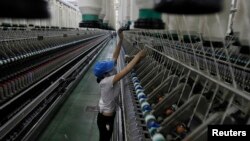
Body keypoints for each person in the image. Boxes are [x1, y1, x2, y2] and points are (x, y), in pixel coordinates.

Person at [93, 28, 146, 141]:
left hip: (107, 115)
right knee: (105, 138)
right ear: (105, 73)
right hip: (105, 119)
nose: (112, 65)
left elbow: (115, 56)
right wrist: (137, 56)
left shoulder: (107, 74)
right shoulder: (107, 82)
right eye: (109, 67)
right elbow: (126, 70)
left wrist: (121, 39)